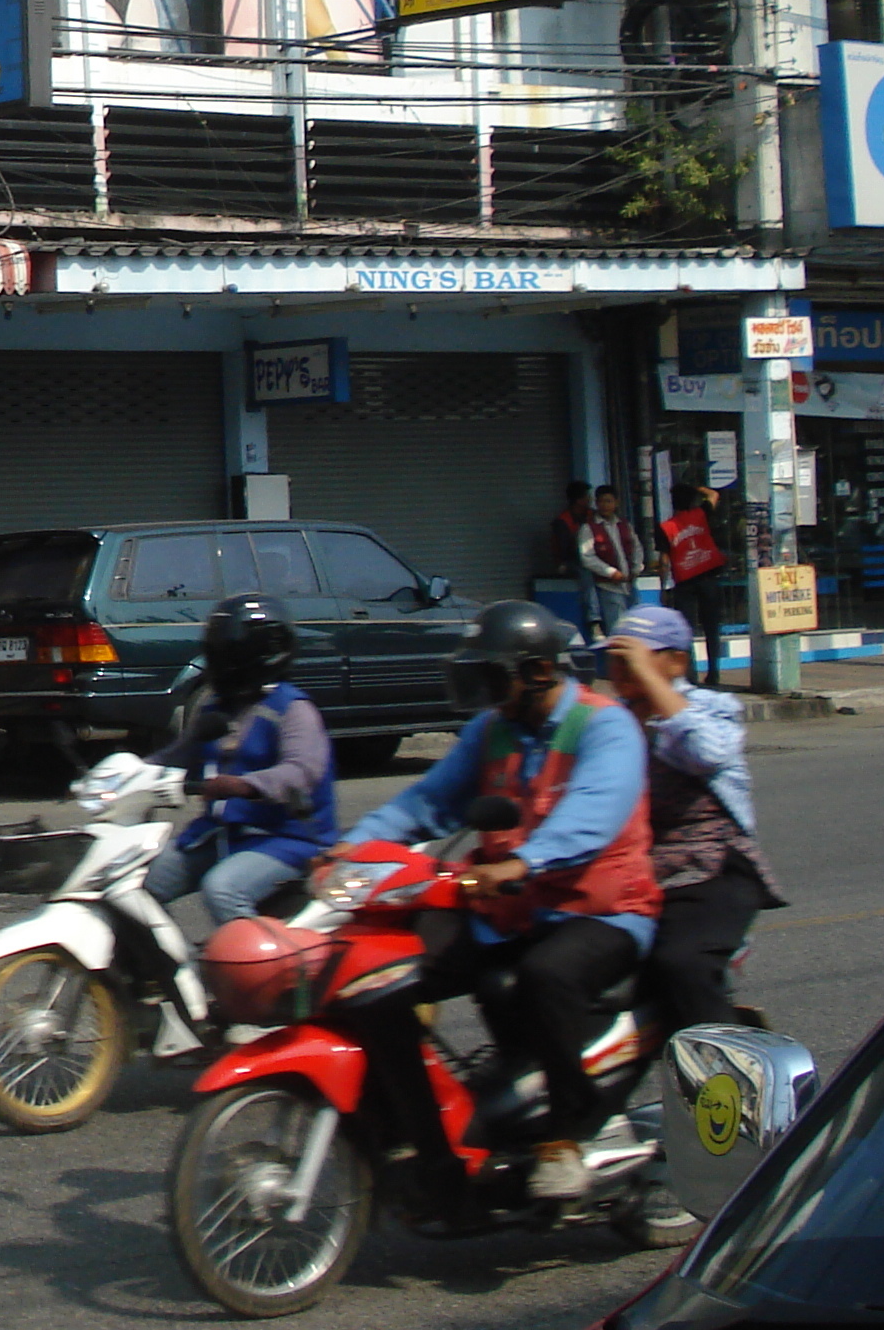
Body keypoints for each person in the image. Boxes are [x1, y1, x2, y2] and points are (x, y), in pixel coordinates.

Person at [331, 599, 658, 1201]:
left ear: (538, 671)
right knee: (381, 977)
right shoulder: (492, 730)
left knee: (544, 974)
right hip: (508, 908)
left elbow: (593, 815)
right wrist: (348, 851)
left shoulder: (605, 724)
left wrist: (522, 862)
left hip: (601, 910)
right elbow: (425, 803)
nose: (485, 688)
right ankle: (426, 1139)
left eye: (494, 674)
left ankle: (565, 1137)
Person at [602, 605, 784, 1036]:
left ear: (676, 661)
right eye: (614, 659)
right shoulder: (609, 720)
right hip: (633, 872)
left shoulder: (710, 708)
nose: (620, 669)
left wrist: (651, 683)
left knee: (680, 963)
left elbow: (707, 754)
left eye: (634, 657)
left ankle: (728, 1076)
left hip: (711, 869)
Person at [142, 594, 340, 924]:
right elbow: (177, 755)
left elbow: (302, 771)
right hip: (220, 833)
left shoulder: (293, 709)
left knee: (223, 889)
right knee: (140, 883)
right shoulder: (217, 709)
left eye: (228, 649)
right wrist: (127, 774)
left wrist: (245, 785)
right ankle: (168, 971)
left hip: (287, 839)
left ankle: (249, 971)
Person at [660, 484, 729, 682]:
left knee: (686, 629)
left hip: (684, 583)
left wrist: (664, 587)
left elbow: (664, 562)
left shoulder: (666, 527)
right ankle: (714, 671)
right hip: (708, 578)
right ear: (692, 501)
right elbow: (714, 495)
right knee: (711, 627)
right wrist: (697, 487)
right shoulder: (702, 514)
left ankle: (691, 675)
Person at [577, 485, 642, 641]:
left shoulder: (624, 525)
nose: (605, 505)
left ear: (616, 503)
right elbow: (587, 557)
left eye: (609, 501)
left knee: (635, 630)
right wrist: (610, 572)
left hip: (629, 585)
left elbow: (636, 548)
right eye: (601, 502)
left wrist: (636, 567)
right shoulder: (589, 528)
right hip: (608, 587)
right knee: (618, 633)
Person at [547, 479, 595, 589]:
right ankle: (591, 605)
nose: (591, 500)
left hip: (594, 559)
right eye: (587, 496)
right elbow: (565, 550)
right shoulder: (563, 521)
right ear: (579, 500)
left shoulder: (593, 515)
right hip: (574, 562)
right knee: (586, 573)